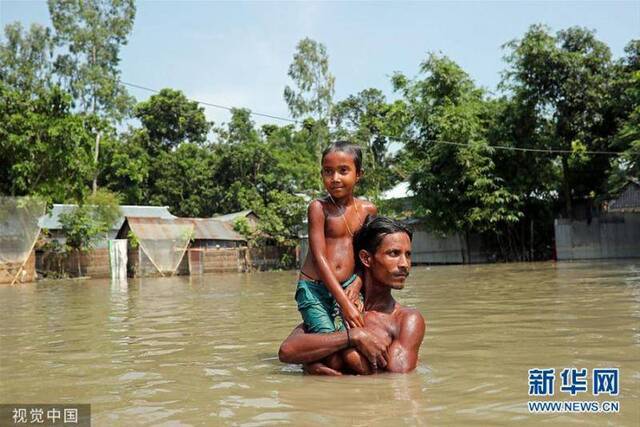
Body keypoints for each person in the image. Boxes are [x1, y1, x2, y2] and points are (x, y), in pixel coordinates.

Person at [280, 216, 426, 375]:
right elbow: (288, 351)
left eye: (408, 254)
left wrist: (314, 363)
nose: (404, 264)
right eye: (394, 253)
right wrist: (353, 336)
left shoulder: (406, 319)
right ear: (366, 258)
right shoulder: (341, 306)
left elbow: (395, 380)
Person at [296, 141, 377, 338]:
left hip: (350, 286)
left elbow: (369, 255)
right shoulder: (318, 208)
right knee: (330, 342)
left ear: (359, 174)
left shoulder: (368, 210)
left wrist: (357, 281)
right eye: (328, 171)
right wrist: (344, 303)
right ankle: (296, 346)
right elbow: (319, 257)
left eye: (343, 171)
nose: (335, 178)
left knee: (357, 339)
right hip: (315, 288)